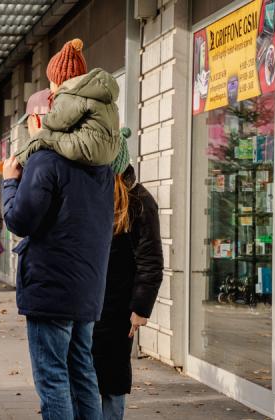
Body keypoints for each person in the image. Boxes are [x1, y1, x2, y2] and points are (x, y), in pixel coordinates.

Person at [0, 44, 117, 419]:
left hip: (51, 285)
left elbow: (20, 220)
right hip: (87, 286)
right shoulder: (101, 164)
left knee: (52, 377)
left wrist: (8, 183)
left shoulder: (46, 158)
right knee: (82, 371)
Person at [91, 130, 163, 420]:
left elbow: (151, 260)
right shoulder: (95, 194)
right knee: (85, 375)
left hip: (119, 307)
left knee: (113, 377)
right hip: (88, 302)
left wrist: (140, 309)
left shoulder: (140, 201)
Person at [14, 38, 121, 168]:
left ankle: (17, 162)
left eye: (51, 81)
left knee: (42, 138)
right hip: (110, 150)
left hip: (89, 146)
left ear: (59, 83)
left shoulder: (70, 95)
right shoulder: (95, 92)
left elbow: (57, 121)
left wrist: (46, 121)